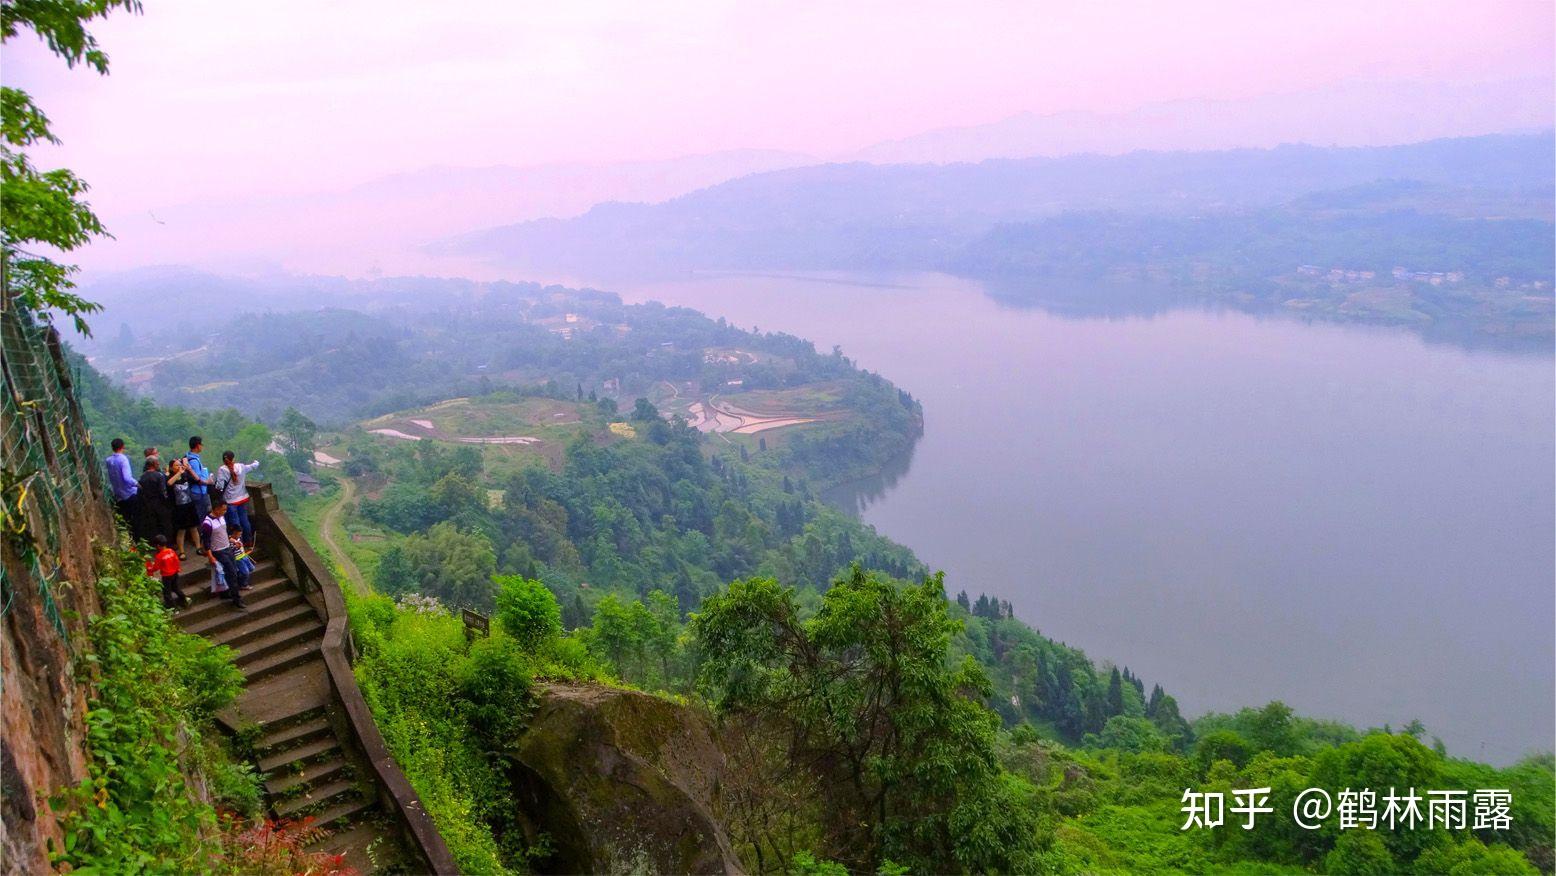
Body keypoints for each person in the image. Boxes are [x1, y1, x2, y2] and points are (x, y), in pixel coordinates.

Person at [200, 500, 247, 609]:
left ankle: (225, 592)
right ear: (216, 509)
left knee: (231, 571)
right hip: (218, 551)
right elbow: (206, 541)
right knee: (232, 573)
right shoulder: (208, 523)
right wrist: (210, 556)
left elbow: (223, 534)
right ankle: (236, 598)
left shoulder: (221, 518)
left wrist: (233, 541)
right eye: (223, 509)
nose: (225, 512)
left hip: (227, 548)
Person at [214, 451, 260, 544]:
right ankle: (248, 541)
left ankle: (239, 543)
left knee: (235, 523)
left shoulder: (222, 470)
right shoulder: (241, 466)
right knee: (245, 520)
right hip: (242, 498)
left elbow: (220, 487)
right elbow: (252, 466)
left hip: (230, 501)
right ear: (233, 459)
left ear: (223, 460)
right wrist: (256, 462)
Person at [166, 457, 201, 559]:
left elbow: (196, 479)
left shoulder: (185, 475)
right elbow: (169, 483)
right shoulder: (170, 476)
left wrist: (188, 469)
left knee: (194, 527)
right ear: (172, 468)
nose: (179, 467)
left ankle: (198, 547)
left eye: (180, 464)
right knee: (181, 530)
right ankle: (182, 552)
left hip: (189, 505)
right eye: (176, 465)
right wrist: (179, 473)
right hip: (179, 508)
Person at [136, 457, 174, 545]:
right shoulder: (159, 476)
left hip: (148, 505)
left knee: (153, 525)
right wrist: (167, 503)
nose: (158, 464)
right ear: (154, 464)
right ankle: (168, 543)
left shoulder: (142, 477)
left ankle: (155, 544)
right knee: (165, 524)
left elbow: (140, 491)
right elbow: (163, 492)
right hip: (159, 504)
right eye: (157, 463)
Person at [144, 534, 188, 609]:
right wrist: (177, 569)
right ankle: (184, 600)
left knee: (167, 592)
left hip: (166, 576)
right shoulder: (171, 551)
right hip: (175, 574)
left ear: (158, 546)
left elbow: (156, 567)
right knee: (176, 588)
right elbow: (177, 561)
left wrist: (148, 569)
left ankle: (172, 607)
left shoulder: (159, 556)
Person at [104, 438, 140, 530]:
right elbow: (127, 478)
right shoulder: (123, 459)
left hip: (118, 494)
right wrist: (136, 484)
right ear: (122, 446)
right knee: (135, 520)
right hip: (130, 494)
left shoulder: (109, 460)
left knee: (124, 521)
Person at [185, 436, 214, 522]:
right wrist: (208, 481)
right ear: (197, 445)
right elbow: (197, 479)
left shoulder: (188, 457)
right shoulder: (194, 461)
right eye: (201, 444)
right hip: (198, 493)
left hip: (194, 492)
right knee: (200, 517)